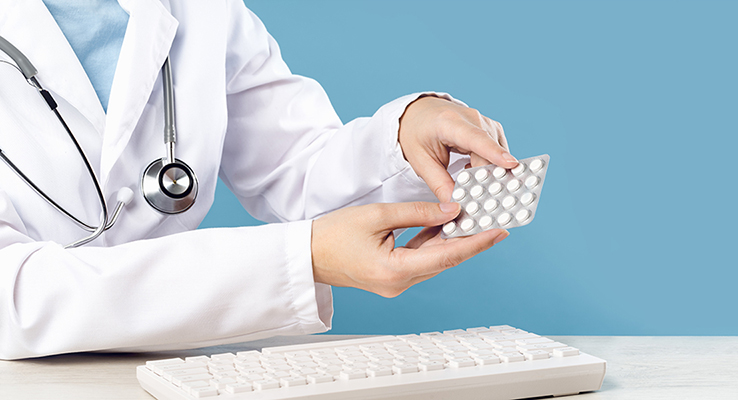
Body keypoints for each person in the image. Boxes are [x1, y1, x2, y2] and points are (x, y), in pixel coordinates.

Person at [0, 0, 517, 360]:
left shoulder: (200, 8)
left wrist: (406, 137)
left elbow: (297, 168)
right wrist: (301, 258)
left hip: (171, 370)